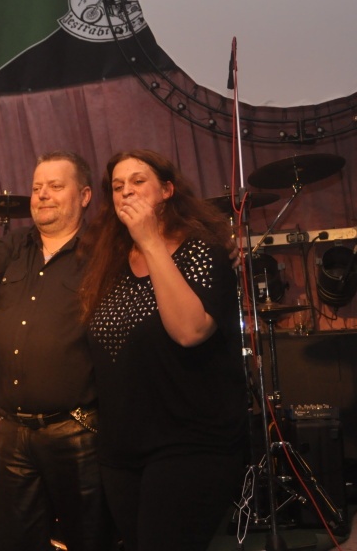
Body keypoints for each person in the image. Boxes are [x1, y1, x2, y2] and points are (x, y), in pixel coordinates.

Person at [0, 151, 113, 551]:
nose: (42, 195)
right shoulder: (15, 244)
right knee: (15, 542)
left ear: (84, 195)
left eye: (55, 186)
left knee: (88, 540)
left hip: (75, 431)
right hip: (10, 434)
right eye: (37, 188)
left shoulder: (102, 252)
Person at [79, 150, 247, 551]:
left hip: (190, 442)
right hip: (122, 448)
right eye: (117, 186)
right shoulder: (109, 262)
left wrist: (150, 240)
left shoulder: (202, 250)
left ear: (167, 190)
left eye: (138, 181)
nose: (126, 192)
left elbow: (190, 331)